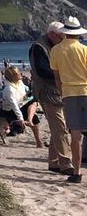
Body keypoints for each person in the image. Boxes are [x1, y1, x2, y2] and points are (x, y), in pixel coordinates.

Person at [29, 20, 72, 175]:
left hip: (57, 90)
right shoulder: (39, 47)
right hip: (47, 91)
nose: (64, 39)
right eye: (61, 36)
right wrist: (62, 74)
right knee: (60, 127)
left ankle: (53, 162)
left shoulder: (54, 45)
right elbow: (41, 70)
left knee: (57, 126)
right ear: (52, 34)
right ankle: (66, 163)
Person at [50, 15, 87, 184]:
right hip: (86, 89)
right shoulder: (84, 50)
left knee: (75, 135)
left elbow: (57, 77)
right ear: (78, 33)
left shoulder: (56, 50)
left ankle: (77, 173)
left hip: (69, 93)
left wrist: (61, 91)